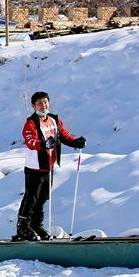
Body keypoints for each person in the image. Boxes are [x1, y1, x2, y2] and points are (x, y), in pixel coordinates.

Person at [15, 91, 86, 241]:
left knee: (42, 198)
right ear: (34, 105)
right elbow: (30, 141)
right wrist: (42, 144)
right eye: (39, 103)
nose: (43, 105)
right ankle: (22, 227)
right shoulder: (31, 123)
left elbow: (63, 135)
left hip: (49, 166)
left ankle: (36, 225)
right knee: (31, 197)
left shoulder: (54, 120)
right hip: (35, 167)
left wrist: (75, 142)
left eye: (45, 102)